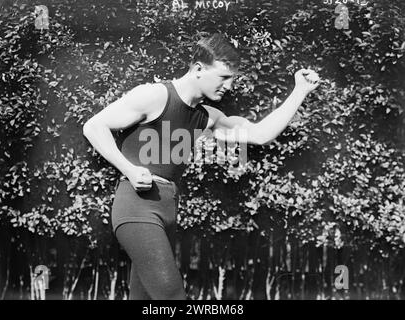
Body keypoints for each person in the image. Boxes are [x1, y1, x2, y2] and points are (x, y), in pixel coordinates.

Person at [83, 33, 320, 300]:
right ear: (198, 69)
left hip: (166, 212)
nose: (229, 86)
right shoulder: (154, 95)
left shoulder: (207, 117)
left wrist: (300, 91)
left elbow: (260, 134)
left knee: (145, 300)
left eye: (232, 79)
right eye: (223, 77)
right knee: (173, 297)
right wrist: (128, 168)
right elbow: (93, 126)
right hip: (137, 209)